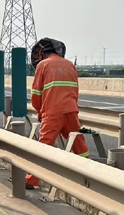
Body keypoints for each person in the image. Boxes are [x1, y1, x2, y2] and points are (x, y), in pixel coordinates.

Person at [26, 38, 89, 189]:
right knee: (79, 145)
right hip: (71, 111)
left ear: (42, 53)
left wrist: (40, 111)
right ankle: (90, 177)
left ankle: (31, 181)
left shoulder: (43, 65)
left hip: (52, 112)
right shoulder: (70, 65)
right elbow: (75, 91)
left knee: (44, 147)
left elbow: (36, 94)